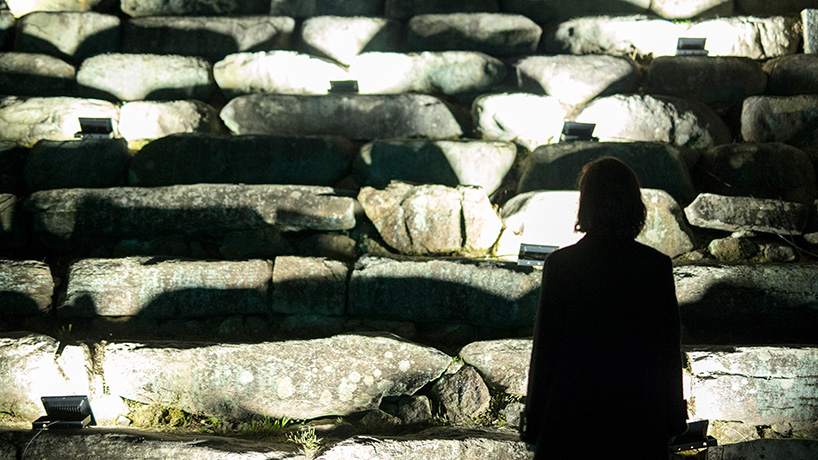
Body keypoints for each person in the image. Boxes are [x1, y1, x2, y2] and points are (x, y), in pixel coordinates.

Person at [521, 157, 688, 459]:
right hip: (637, 420)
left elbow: (546, 350)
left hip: (571, 418)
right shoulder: (655, 267)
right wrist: (674, 418)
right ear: (633, 204)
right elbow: (667, 351)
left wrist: (534, 421)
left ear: (586, 204)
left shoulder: (561, 266)